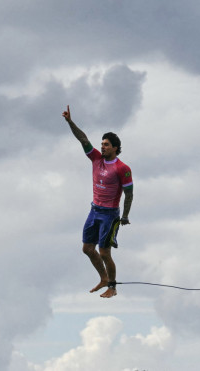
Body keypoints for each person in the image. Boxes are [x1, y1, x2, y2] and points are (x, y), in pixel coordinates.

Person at [62, 105, 133, 298]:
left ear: (115, 148)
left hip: (110, 215)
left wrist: (125, 216)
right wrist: (70, 122)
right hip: (94, 210)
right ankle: (103, 278)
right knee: (87, 249)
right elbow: (83, 139)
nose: (102, 147)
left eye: (106, 145)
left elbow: (129, 193)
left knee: (104, 252)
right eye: (102, 144)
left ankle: (112, 286)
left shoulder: (122, 168)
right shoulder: (96, 159)